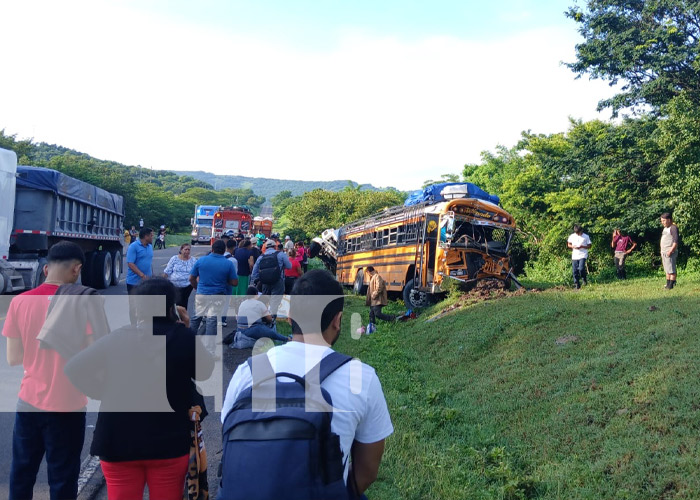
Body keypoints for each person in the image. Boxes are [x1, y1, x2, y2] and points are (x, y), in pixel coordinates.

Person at [221, 269, 393, 498]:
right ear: (338, 320)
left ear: (290, 316)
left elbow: (228, 440)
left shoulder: (248, 371)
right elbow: (367, 471)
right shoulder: (361, 377)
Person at [65, 278, 215, 500]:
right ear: (171, 306)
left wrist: (100, 391)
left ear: (137, 306)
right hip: (169, 442)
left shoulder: (117, 337)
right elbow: (204, 372)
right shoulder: (183, 337)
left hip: (117, 441)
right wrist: (185, 329)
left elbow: (73, 368)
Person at [2, 242, 93, 500]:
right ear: (76, 270)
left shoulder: (19, 302)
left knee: (21, 473)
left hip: (29, 403)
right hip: (68, 405)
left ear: (45, 270)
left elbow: (13, 358)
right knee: (63, 478)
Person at [189, 239, 238, 355]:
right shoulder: (228, 263)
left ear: (212, 249)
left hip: (201, 294)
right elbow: (235, 282)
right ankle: (209, 350)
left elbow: (191, 278)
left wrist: (196, 287)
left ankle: (188, 343)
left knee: (196, 319)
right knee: (212, 321)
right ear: (224, 250)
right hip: (218, 295)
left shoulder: (201, 260)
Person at [251, 238, 292, 316]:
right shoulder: (280, 254)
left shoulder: (261, 257)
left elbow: (254, 271)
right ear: (275, 246)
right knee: (275, 301)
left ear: (266, 248)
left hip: (265, 281)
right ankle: (272, 319)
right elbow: (289, 266)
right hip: (278, 281)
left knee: (265, 299)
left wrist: (254, 282)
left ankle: (262, 316)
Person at [126, 227, 154, 324]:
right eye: (151, 236)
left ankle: (145, 324)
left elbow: (149, 262)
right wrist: (142, 275)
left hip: (147, 282)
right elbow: (130, 263)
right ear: (146, 236)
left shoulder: (150, 246)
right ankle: (134, 325)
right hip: (134, 282)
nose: (152, 237)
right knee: (134, 305)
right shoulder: (134, 246)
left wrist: (152, 277)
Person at [163, 243, 197, 308]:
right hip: (174, 284)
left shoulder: (193, 260)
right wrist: (162, 281)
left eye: (188, 250)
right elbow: (167, 271)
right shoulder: (174, 259)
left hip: (187, 285)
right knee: (176, 302)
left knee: (183, 301)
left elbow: (196, 273)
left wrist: (196, 284)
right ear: (181, 250)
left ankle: (183, 316)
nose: (187, 251)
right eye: (185, 249)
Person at [366, 266, 395, 331]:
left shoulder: (377, 276)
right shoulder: (373, 277)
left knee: (377, 314)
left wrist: (374, 295)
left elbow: (379, 287)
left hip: (377, 299)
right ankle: (372, 326)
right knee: (371, 314)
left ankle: (391, 318)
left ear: (369, 271)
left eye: (367, 272)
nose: (367, 274)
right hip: (373, 300)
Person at [221, 238, 240, 326]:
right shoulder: (233, 260)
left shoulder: (220, 257)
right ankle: (222, 319)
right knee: (226, 302)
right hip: (228, 284)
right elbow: (234, 275)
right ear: (234, 248)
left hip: (217, 282)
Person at [567, 224, 592, 289]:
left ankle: (584, 278)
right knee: (574, 271)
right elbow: (569, 244)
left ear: (581, 230)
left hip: (583, 254)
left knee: (581, 268)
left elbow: (589, 246)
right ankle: (577, 284)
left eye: (579, 232)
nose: (578, 234)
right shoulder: (572, 236)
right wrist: (573, 246)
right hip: (575, 255)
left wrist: (582, 246)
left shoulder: (586, 236)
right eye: (576, 233)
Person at [660, 212, 679, 289]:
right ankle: (668, 283)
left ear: (669, 220)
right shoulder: (666, 228)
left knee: (671, 269)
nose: (662, 222)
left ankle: (671, 285)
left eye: (664, 221)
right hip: (664, 251)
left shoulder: (673, 227)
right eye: (662, 221)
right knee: (667, 269)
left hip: (670, 252)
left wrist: (671, 251)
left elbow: (675, 241)